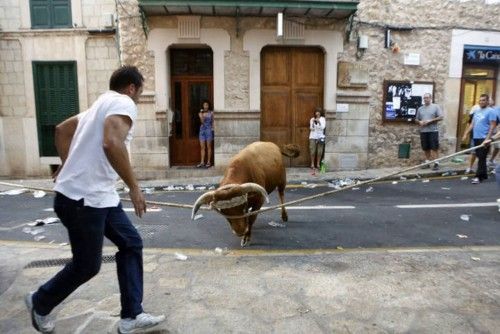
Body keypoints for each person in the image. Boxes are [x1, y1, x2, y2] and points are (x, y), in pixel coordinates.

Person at [25, 66, 165, 334]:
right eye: (140, 92)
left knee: (131, 243)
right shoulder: (123, 102)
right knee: (87, 265)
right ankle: (39, 301)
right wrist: (134, 187)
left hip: (99, 197)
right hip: (83, 201)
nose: (137, 99)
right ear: (132, 88)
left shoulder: (98, 105)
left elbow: (61, 130)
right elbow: (112, 142)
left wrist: (69, 166)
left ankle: (131, 316)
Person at [462, 94, 497, 184]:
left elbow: (492, 126)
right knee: (480, 156)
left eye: (483, 100)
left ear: (487, 101)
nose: (481, 102)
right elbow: (472, 124)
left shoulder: (491, 111)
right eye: (480, 100)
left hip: (484, 138)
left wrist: (488, 138)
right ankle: (484, 175)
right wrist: (466, 134)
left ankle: (478, 177)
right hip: (476, 137)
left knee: (481, 157)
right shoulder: (477, 111)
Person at [415, 93, 443, 171]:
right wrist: (419, 122)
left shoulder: (435, 107)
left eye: (427, 98)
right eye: (424, 98)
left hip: (433, 131)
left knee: (434, 148)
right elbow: (416, 119)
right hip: (423, 131)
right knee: (426, 148)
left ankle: (436, 163)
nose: (425, 99)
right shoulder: (420, 109)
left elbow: (441, 117)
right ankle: (427, 163)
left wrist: (430, 121)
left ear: (430, 98)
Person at [309, 107, 326, 175]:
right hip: (313, 136)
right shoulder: (312, 119)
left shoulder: (323, 119)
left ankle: (318, 164)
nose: (317, 113)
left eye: (318, 111)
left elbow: (323, 127)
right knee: (312, 150)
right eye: (316, 111)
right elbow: (311, 128)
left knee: (319, 151)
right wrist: (313, 123)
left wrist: (319, 122)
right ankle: (312, 163)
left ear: (320, 113)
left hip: (320, 137)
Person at [197, 100, 214, 168]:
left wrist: (213, 129)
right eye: (204, 105)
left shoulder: (211, 113)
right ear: (202, 106)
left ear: (208, 106)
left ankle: (209, 162)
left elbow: (213, 121)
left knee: (209, 146)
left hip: (209, 130)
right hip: (202, 130)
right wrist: (202, 114)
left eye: (207, 105)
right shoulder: (200, 113)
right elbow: (202, 121)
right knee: (202, 147)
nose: (205, 106)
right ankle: (202, 162)